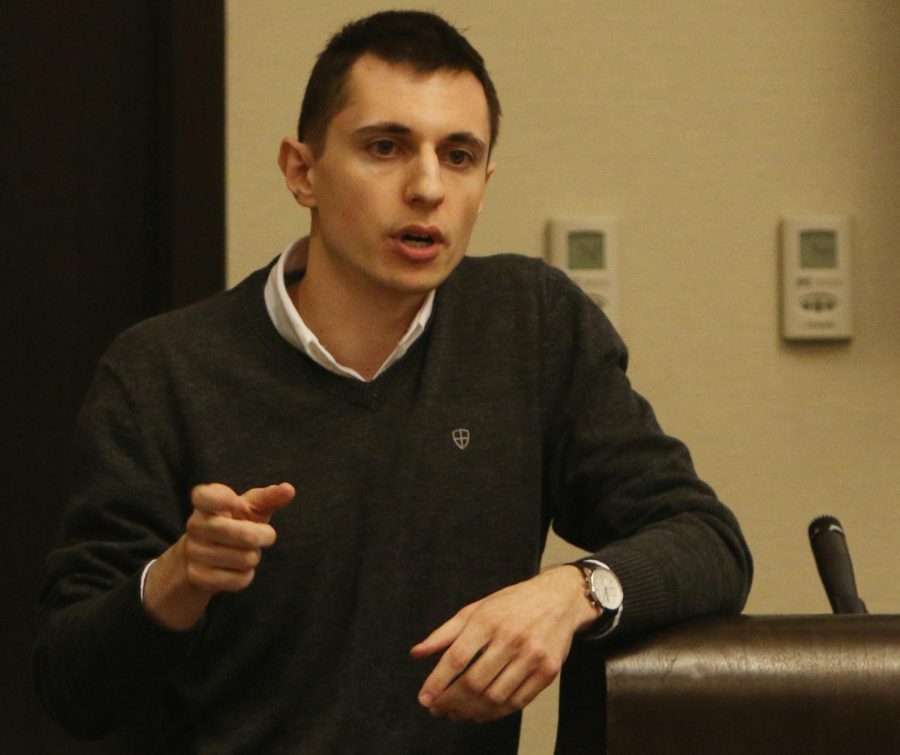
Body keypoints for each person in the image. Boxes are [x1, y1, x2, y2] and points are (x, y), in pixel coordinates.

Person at [35, 10, 752, 754]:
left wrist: (571, 591)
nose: (427, 187)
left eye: (460, 155)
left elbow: (709, 543)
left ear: (485, 180)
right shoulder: (162, 369)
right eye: (386, 147)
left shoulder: (531, 325)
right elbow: (72, 688)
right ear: (301, 171)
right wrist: (179, 578)